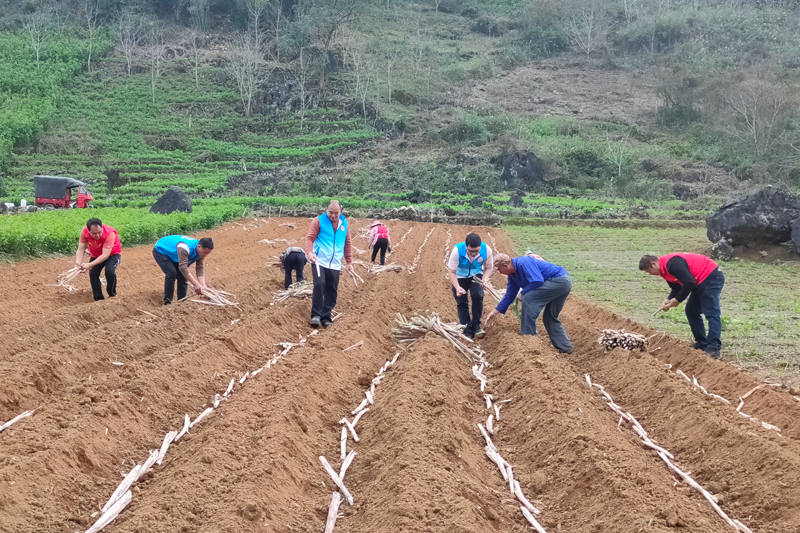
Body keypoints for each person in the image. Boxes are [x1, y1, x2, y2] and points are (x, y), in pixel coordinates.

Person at [639, 253, 724, 359]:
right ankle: (702, 342)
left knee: (711, 312)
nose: (650, 274)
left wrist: (678, 300)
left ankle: (714, 347)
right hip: (699, 281)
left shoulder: (673, 264)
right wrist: (668, 300)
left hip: (711, 276)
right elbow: (676, 288)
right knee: (691, 311)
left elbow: (689, 282)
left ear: (654, 264)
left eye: (649, 271)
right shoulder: (664, 271)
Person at [484, 253, 574, 353]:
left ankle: (529, 340)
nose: (500, 273)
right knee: (549, 316)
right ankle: (565, 347)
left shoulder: (523, 262)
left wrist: (522, 293)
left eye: (499, 270)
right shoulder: (512, 276)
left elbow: (537, 281)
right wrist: (495, 311)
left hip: (559, 280)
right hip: (562, 283)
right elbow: (509, 295)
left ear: (505, 266)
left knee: (528, 298)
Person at [305, 200, 354, 328]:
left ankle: (326, 317)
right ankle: (315, 315)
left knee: (332, 290)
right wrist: (310, 253)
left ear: (341, 211)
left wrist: (349, 262)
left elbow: (347, 243)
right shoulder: (318, 221)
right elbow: (310, 238)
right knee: (319, 285)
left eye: (336, 213)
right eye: (330, 212)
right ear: (326, 210)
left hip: (335, 263)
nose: (333, 215)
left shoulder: (344, 224)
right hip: (319, 261)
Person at [447, 233, 494, 339]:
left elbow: (489, 267)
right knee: (462, 301)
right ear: (466, 246)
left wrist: (484, 280)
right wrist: (458, 287)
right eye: (470, 251)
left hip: (476, 274)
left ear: (480, 247)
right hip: (459, 276)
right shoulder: (457, 251)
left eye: (476, 251)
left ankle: (476, 325)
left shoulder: (486, 250)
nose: (473, 254)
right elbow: (451, 272)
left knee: (478, 295)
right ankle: (467, 328)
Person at [152, 235, 214, 306]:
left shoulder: (200, 252)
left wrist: (203, 285)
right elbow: (183, 268)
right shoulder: (185, 248)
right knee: (172, 273)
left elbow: (199, 268)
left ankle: (182, 303)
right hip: (162, 251)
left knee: (183, 277)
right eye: (205, 252)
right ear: (199, 247)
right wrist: (196, 284)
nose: (206, 255)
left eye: (208, 253)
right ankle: (167, 303)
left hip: (175, 254)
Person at [75, 218, 122, 301]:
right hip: (96, 254)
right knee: (93, 273)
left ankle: (112, 294)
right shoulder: (84, 232)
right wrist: (77, 264)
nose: (97, 235)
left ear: (101, 228)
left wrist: (89, 265)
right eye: (93, 233)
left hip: (112, 254)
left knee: (109, 271)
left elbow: (105, 255)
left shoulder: (109, 233)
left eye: (99, 232)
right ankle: (98, 299)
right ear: (88, 231)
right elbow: (81, 249)